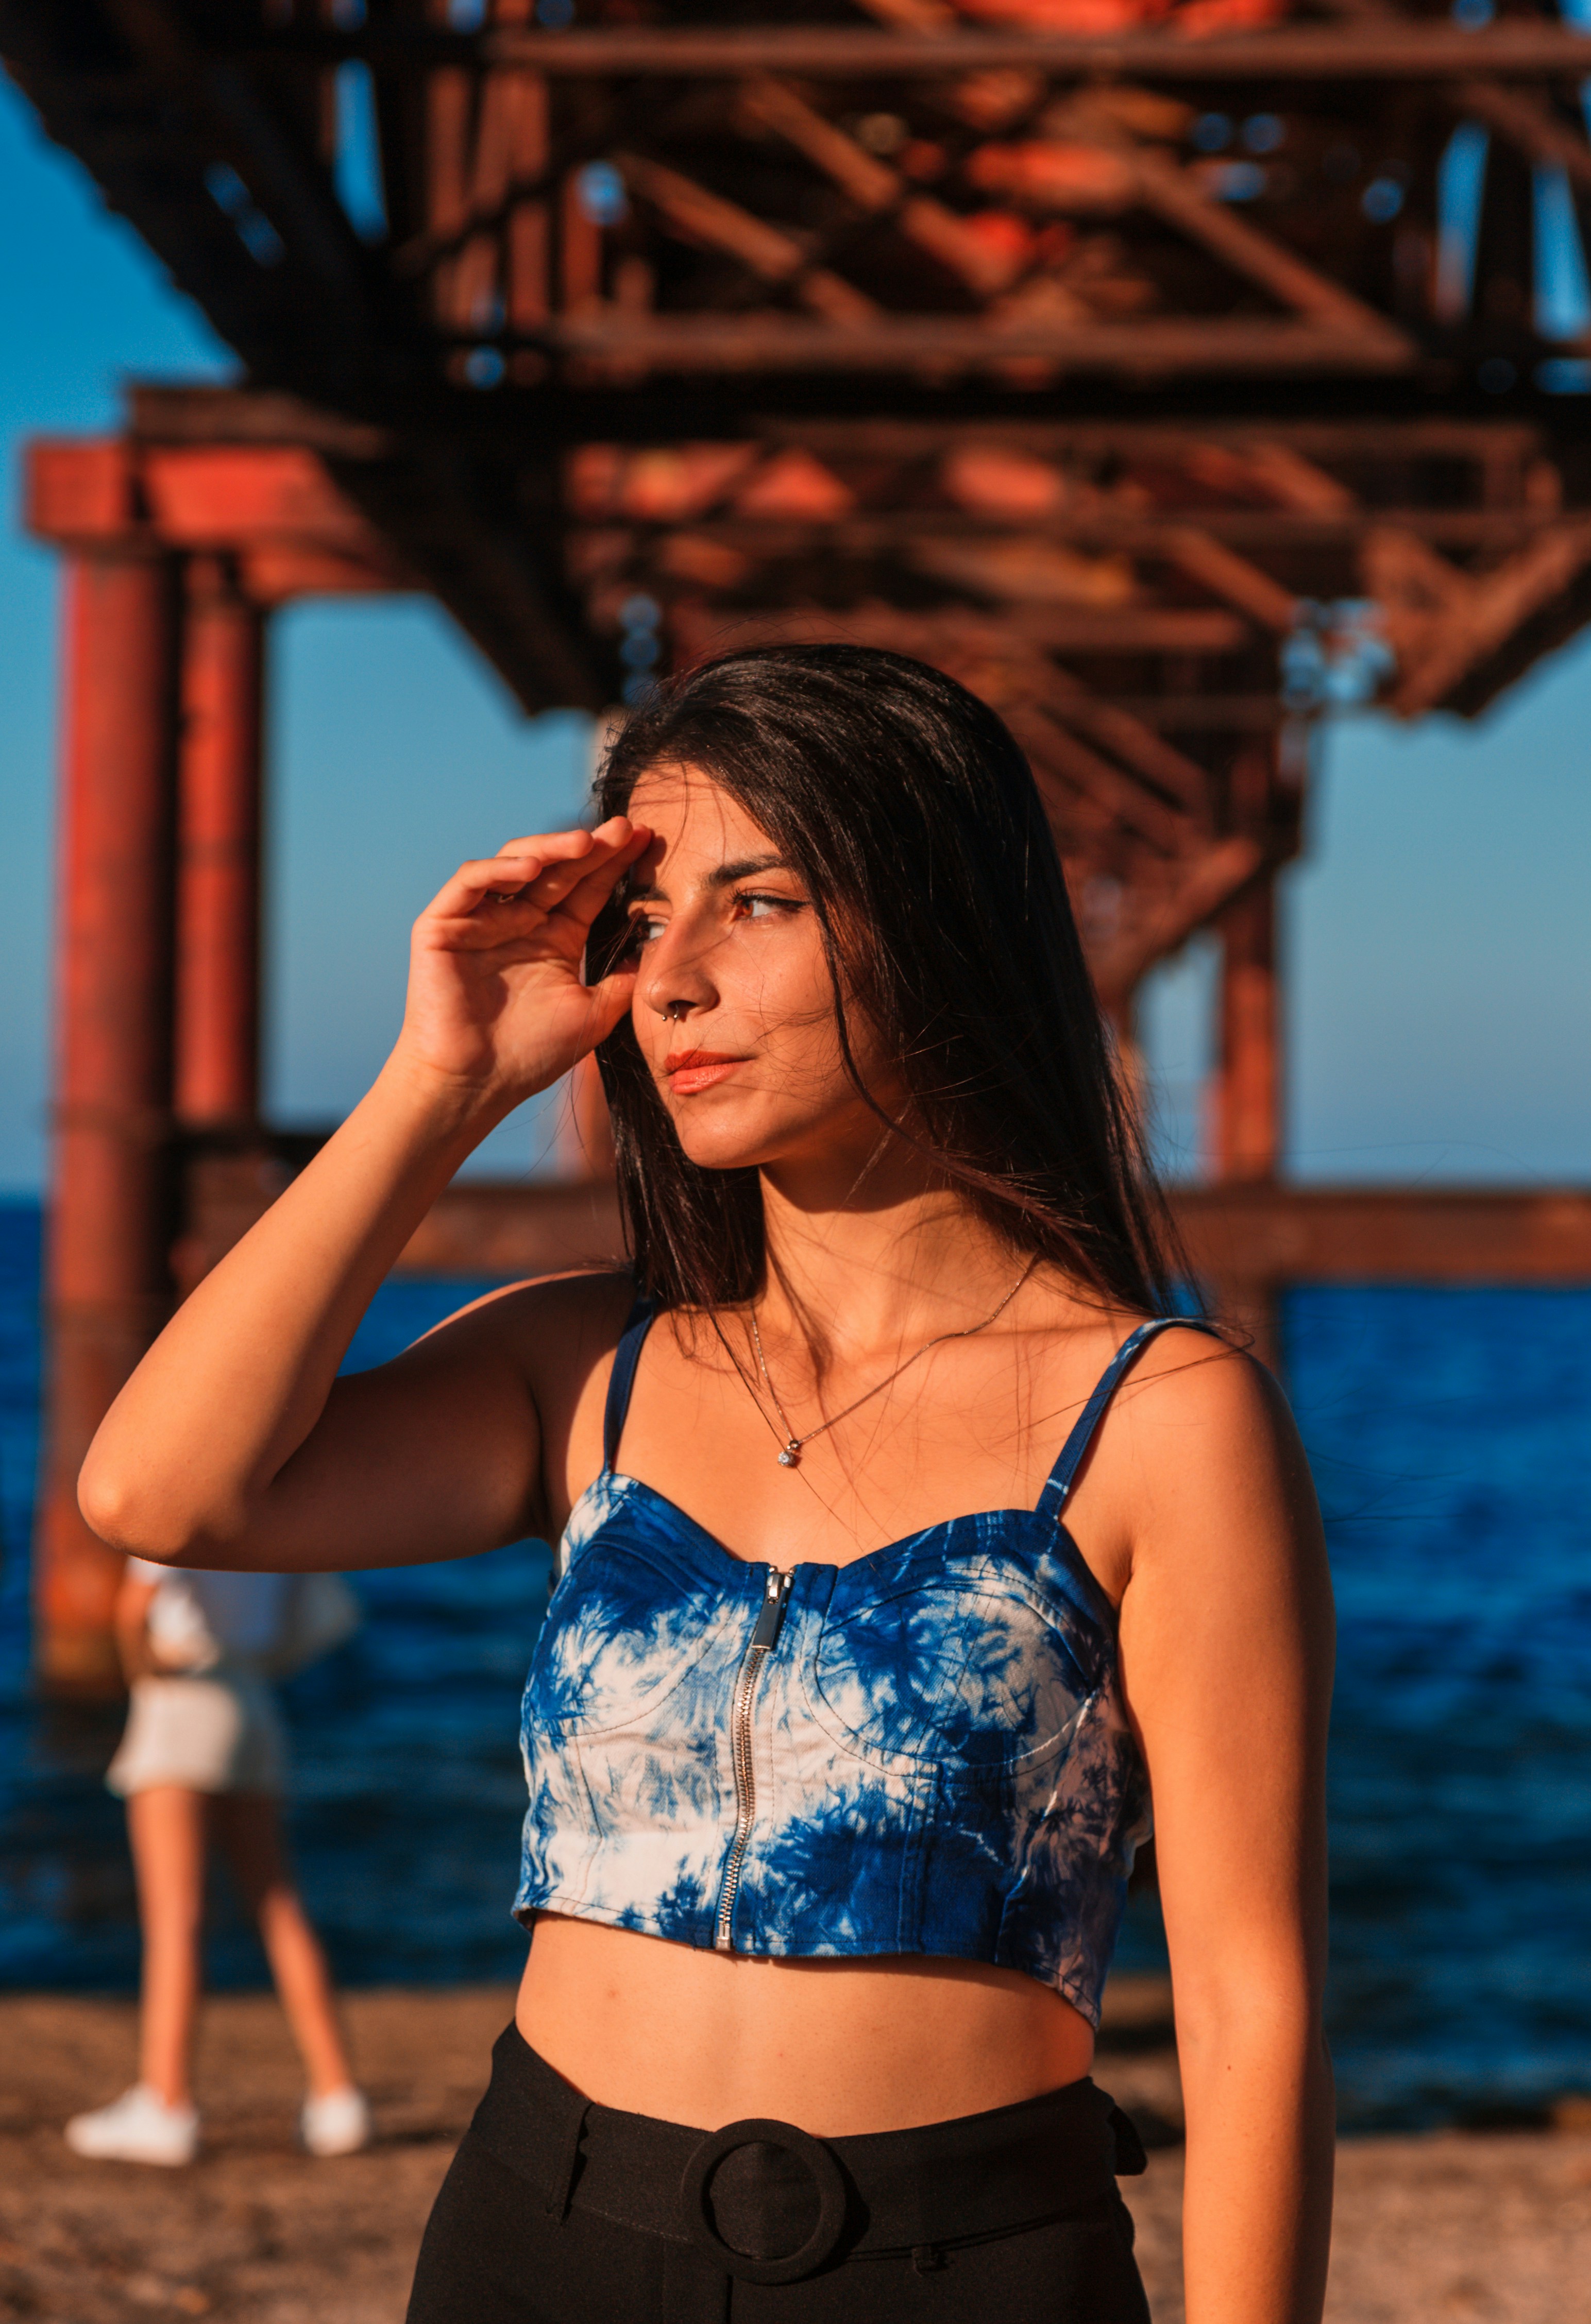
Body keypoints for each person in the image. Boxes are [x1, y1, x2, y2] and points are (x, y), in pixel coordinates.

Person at [77, 644, 1333, 2319]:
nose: (671, 982)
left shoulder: (1160, 1417)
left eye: (758, 903)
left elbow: (1253, 2001)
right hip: (541, 2237)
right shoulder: (587, 1367)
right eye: (645, 920)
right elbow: (162, 1496)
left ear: (941, 927)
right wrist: (440, 1085)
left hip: (959, 2269)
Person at [65, 1558, 371, 2166]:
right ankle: (339, 2099)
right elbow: (298, 1623)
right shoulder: (266, 1527)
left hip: (183, 1694)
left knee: (175, 1917)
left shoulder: (179, 1520)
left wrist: (143, 1672)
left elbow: (134, 1610)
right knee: (278, 1903)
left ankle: (167, 2103)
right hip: (253, 1702)